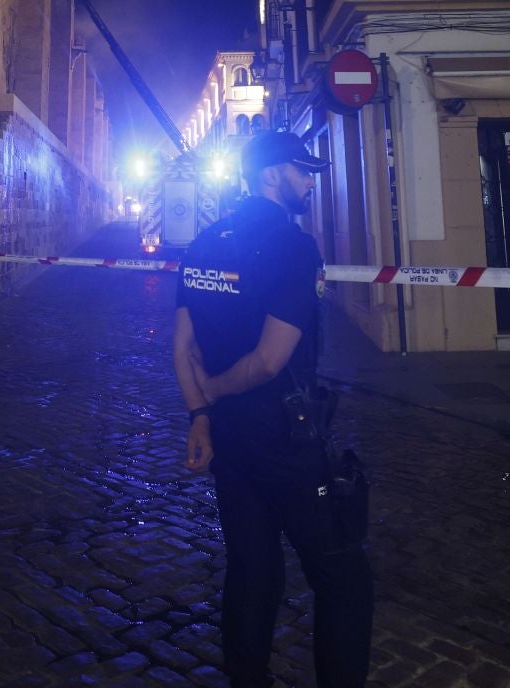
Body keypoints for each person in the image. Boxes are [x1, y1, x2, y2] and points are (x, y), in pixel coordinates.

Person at [172, 129, 374, 688]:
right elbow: (267, 361)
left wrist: (201, 415)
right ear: (269, 174)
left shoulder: (205, 243)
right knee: (344, 578)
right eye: (300, 169)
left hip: (232, 444)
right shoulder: (293, 246)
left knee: (252, 572)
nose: (309, 180)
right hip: (286, 439)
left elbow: (181, 347)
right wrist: (212, 394)